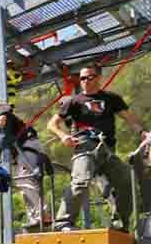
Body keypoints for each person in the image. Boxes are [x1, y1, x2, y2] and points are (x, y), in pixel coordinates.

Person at [48, 64, 147, 232]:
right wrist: (63, 136)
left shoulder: (111, 99)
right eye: (82, 78)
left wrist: (142, 132)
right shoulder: (74, 101)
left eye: (89, 77)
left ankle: (120, 224)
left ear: (99, 78)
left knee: (125, 181)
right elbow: (52, 124)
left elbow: (128, 117)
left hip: (107, 149)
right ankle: (63, 222)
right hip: (85, 145)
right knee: (81, 180)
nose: (85, 81)